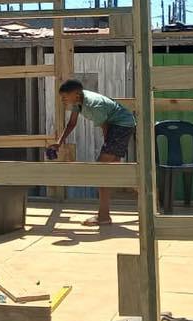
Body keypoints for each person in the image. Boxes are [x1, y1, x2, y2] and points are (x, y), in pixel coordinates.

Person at [48, 79, 135, 227]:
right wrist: (59, 142)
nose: (62, 100)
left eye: (65, 97)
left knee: (101, 171)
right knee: (114, 171)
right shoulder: (77, 102)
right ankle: (148, 192)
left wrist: (107, 149)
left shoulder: (93, 105)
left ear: (76, 94)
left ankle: (103, 217)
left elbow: (106, 127)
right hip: (119, 125)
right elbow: (72, 124)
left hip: (121, 126)